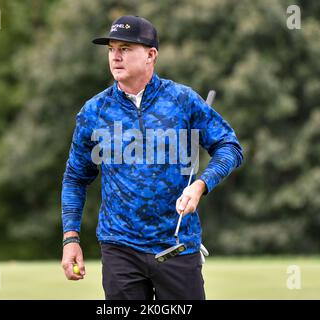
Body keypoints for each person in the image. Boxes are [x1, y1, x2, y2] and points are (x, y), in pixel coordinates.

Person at [61, 15, 243, 300]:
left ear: (151, 55)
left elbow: (229, 146)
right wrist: (70, 238)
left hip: (176, 245)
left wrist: (201, 185)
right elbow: (75, 177)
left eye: (125, 48)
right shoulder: (94, 110)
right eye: (111, 49)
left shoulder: (182, 100)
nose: (115, 56)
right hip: (119, 247)